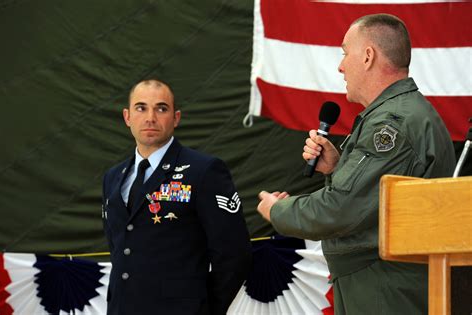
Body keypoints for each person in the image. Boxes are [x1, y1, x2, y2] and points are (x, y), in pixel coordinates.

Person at [257, 14, 455, 314]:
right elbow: (382, 200)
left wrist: (278, 210)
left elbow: (341, 209)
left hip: (384, 288)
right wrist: (338, 169)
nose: (340, 65)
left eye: (344, 52)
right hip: (383, 282)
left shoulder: (393, 124)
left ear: (367, 56)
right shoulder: (398, 114)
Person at [102, 78, 252, 315]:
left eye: (161, 108)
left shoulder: (203, 171)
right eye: (141, 108)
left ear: (176, 118)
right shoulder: (112, 178)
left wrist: (203, 309)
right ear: (127, 117)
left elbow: (234, 254)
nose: (150, 117)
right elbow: (121, 247)